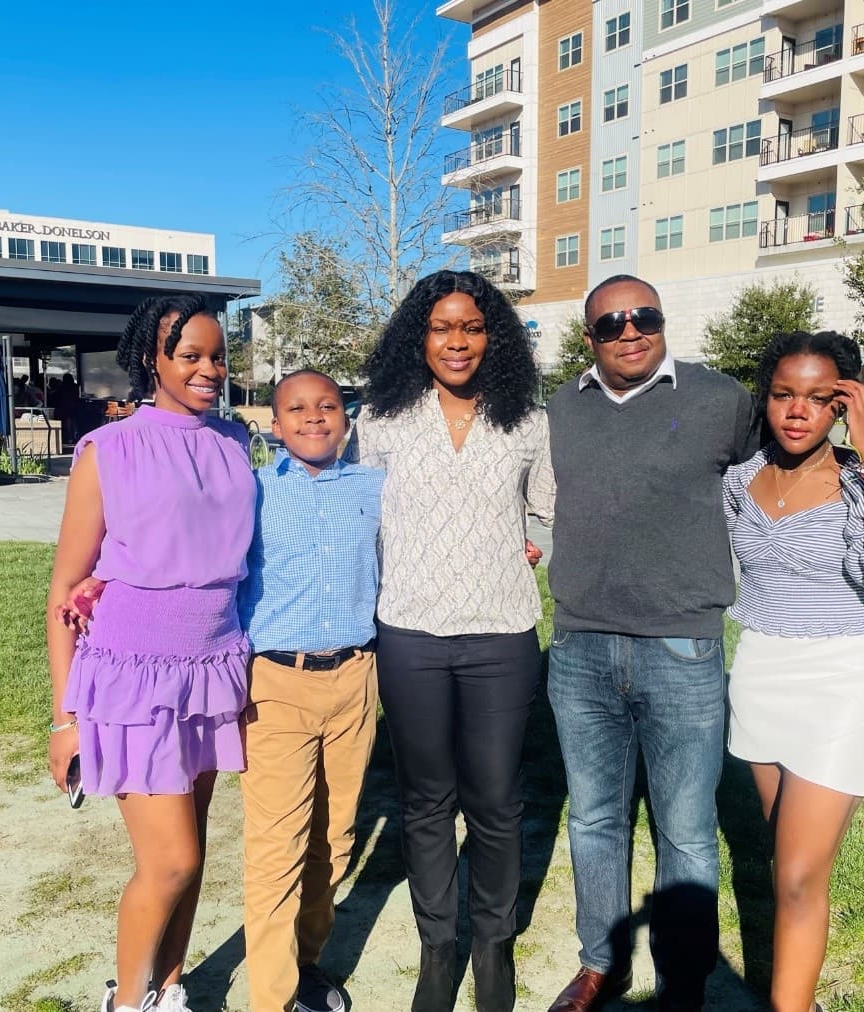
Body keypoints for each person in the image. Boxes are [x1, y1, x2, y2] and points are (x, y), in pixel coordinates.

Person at [545, 274, 759, 1012]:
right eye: (611, 323)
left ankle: (683, 979)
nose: (629, 331)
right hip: (579, 649)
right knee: (594, 819)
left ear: (662, 322)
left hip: (682, 649)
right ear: (589, 337)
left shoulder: (720, 401)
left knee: (687, 831)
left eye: (644, 317)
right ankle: (600, 963)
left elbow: (781, 477)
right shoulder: (557, 410)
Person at [46, 294, 255, 1012]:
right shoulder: (110, 448)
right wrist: (63, 719)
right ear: (151, 359)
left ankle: (170, 988)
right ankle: (126, 1002)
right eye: (189, 355)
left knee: (190, 855)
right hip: (133, 673)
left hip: (214, 666)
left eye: (217, 355)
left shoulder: (236, 441)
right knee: (170, 861)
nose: (209, 369)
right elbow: (65, 591)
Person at [722, 331, 864, 1012]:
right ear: (765, 399)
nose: (797, 412)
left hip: (839, 679)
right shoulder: (738, 480)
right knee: (784, 863)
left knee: (794, 875)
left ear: (841, 406)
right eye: (784, 395)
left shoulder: (862, 478)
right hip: (759, 670)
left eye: (819, 399)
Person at [357, 269, 554, 1012]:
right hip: (408, 631)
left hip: (501, 633)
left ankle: (492, 945)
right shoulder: (380, 419)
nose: (457, 341)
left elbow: (545, 513)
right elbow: (360, 522)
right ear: (419, 336)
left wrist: (533, 547)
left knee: (498, 801)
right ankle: (439, 946)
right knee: (426, 801)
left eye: (471, 327)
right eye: (442, 327)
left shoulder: (527, 422)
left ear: (492, 336)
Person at [234, 369, 384, 1012]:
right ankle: (271, 1000)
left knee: (335, 841)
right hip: (275, 684)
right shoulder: (254, 491)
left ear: (346, 418)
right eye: (297, 408)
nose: (314, 417)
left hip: (355, 678)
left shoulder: (377, 488)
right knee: (276, 849)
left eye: (327, 406)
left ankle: (305, 966)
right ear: (275, 424)